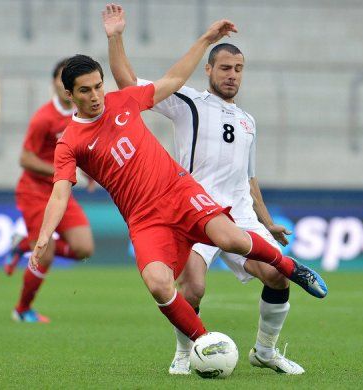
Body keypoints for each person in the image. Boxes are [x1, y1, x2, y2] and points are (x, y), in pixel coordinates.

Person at [29, 6, 327, 367]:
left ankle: (292, 272)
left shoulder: (124, 103)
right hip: (145, 219)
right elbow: (60, 191)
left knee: (233, 240)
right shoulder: (70, 141)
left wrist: (205, 38)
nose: (95, 96)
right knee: (162, 284)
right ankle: (198, 346)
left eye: (97, 87)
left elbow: (170, 79)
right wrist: (45, 234)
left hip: (181, 193)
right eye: (86, 91)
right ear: (70, 94)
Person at [105, 5, 305, 375]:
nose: (232, 76)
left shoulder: (248, 121)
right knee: (192, 287)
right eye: (225, 68)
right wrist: (116, 36)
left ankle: (265, 351)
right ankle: (185, 352)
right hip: (195, 210)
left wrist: (267, 221)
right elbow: (128, 84)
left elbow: (249, 178)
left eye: (238, 69)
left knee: (277, 275)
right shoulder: (188, 102)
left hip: (240, 216)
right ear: (209, 69)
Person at [8, 58, 95, 323]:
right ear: (56, 83)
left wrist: (89, 171)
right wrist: (60, 172)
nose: (62, 83)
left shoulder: (82, 115)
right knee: (45, 255)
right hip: (35, 191)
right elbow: (25, 159)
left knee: (84, 248)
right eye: (59, 78)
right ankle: (22, 310)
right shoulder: (44, 118)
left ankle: (24, 244)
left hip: (61, 191)